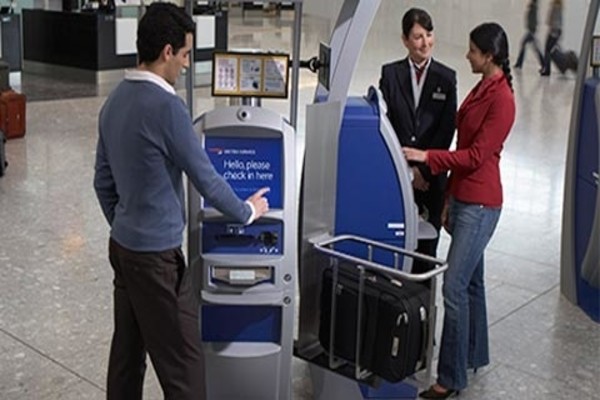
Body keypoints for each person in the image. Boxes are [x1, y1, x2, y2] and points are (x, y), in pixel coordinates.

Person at [93, 3, 270, 400]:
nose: (188, 65)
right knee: (186, 371)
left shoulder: (114, 101)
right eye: (186, 54)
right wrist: (247, 211)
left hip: (123, 250)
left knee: (126, 357)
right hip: (157, 260)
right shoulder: (168, 108)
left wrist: (126, 222)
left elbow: (102, 182)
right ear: (167, 52)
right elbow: (206, 178)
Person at [403, 22, 516, 399]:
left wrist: (426, 157)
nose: (466, 55)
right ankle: (473, 355)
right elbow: (464, 139)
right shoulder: (483, 86)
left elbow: (475, 155)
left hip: (482, 204)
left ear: (489, 55)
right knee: (472, 283)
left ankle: (449, 378)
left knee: (453, 288)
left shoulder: (502, 100)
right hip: (464, 197)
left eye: (472, 50)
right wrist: (449, 197)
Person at [379, 7, 457, 276]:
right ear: (405, 40)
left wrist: (423, 170)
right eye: (417, 37)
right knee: (396, 244)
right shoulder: (390, 74)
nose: (425, 43)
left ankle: (421, 310)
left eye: (429, 35)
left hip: (431, 178)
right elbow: (385, 125)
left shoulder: (447, 78)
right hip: (398, 176)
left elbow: (446, 131)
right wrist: (408, 171)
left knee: (426, 252)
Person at [513, 0, 544, 69]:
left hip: (531, 30)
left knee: (524, 44)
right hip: (531, 30)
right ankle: (543, 63)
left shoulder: (533, 7)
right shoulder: (533, 6)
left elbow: (533, 19)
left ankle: (519, 63)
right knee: (535, 47)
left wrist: (532, 28)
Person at [540, 0, 563, 76]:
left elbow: (551, 20)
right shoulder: (560, 7)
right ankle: (546, 68)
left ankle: (547, 69)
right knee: (549, 50)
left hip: (553, 31)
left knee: (547, 51)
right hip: (556, 31)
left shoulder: (555, 7)